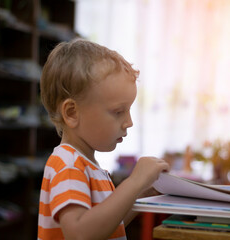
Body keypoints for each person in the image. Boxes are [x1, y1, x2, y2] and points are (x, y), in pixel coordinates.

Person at [38, 38, 169, 240]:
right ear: (72, 113)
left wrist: (141, 193)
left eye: (128, 110)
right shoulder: (68, 165)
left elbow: (106, 226)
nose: (129, 122)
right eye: (118, 111)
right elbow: (80, 233)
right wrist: (134, 182)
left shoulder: (88, 166)